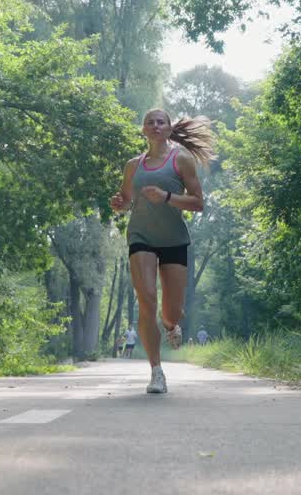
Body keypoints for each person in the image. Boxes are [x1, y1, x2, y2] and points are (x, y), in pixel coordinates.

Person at [109, 109, 215, 394]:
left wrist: (167, 197)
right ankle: (156, 372)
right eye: (150, 122)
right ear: (143, 129)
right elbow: (129, 201)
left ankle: (170, 325)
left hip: (174, 240)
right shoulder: (133, 165)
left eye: (161, 122)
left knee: (171, 311)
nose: (155, 126)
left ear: (169, 129)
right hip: (141, 236)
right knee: (147, 299)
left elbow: (198, 203)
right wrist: (121, 203)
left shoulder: (181, 159)